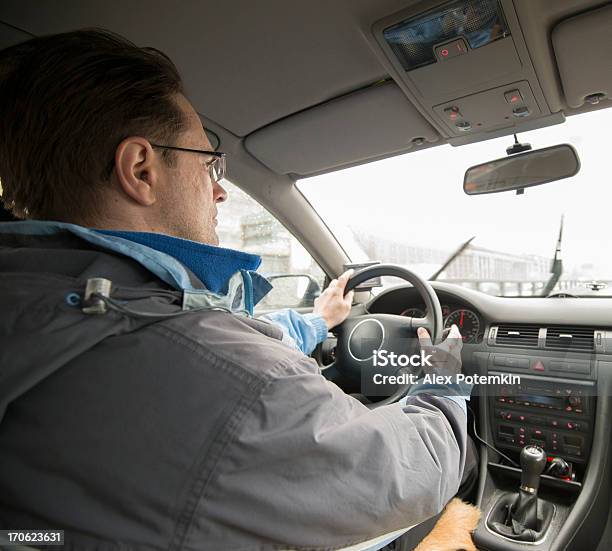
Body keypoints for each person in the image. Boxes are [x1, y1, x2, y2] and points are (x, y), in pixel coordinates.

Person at [0, 29, 473, 550]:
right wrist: (445, 380)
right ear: (140, 169)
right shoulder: (240, 384)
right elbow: (411, 476)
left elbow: (220, 336)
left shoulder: (46, 303)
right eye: (210, 163)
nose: (220, 189)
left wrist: (319, 320)